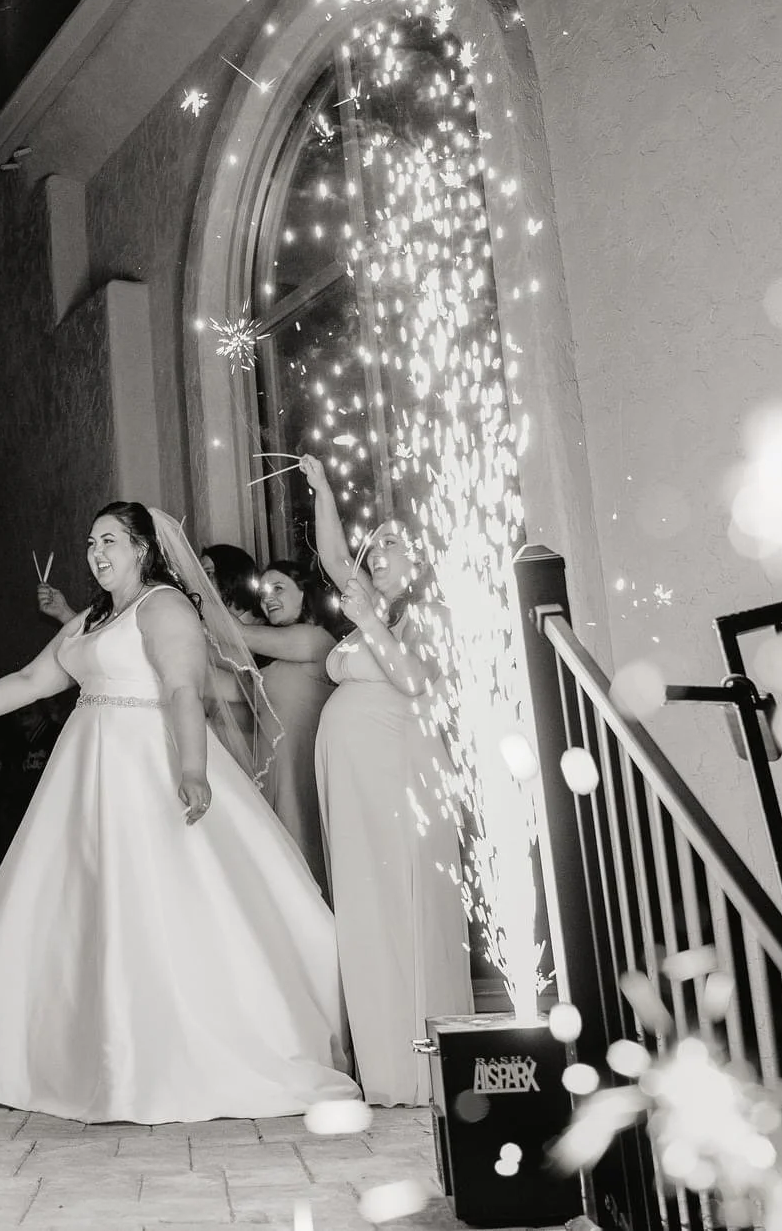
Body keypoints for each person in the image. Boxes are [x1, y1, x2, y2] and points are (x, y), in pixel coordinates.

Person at [0, 502, 359, 1124]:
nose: (97, 552)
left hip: (147, 762)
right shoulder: (92, 618)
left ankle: (168, 1057)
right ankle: (86, 1060)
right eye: (92, 541)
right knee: (82, 906)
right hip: (87, 769)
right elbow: (32, 680)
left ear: (143, 549)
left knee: (161, 899)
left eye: (110, 540)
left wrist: (194, 769)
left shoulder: (163, 605)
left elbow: (181, 687)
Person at [298, 454, 472, 1106]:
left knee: (396, 901)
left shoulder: (424, 619)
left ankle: (413, 1068)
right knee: (364, 907)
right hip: (353, 785)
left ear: (419, 561)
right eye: (375, 541)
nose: (376, 550)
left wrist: (369, 623)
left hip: (396, 778)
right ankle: (380, 1061)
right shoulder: (369, 607)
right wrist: (319, 490)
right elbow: (335, 559)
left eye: (393, 542)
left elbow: (414, 681)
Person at [231, 560, 340, 901]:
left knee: (305, 867)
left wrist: (191, 596)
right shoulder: (275, 662)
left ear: (304, 592)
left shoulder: (315, 640)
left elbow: (239, 633)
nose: (267, 598)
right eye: (263, 593)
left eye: (278, 588)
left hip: (301, 775)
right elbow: (230, 689)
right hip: (275, 777)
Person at [199, 542, 266, 625]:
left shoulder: (265, 629)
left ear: (230, 576)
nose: (200, 581)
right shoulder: (204, 624)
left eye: (207, 573)